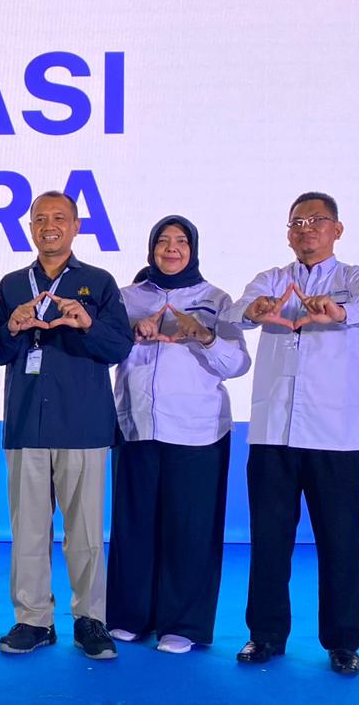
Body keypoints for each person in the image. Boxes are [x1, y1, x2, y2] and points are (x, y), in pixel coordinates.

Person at [226, 192, 359, 675]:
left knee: (341, 542)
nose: (306, 229)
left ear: (337, 229)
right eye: (297, 222)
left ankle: (343, 642)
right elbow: (236, 311)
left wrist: (337, 312)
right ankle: (265, 635)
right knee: (269, 540)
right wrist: (257, 308)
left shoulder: (357, 279)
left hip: (335, 435)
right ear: (288, 233)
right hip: (273, 433)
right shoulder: (272, 279)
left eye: (316, 221)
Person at [0, 190, 132, 660]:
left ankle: (90, 619)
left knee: (85, 532)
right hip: (26, 422)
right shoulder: (13, 284)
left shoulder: (99, 282)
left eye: (59, 218)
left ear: (75, 226)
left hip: (83, 423)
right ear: (30, 227)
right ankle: (34, 620)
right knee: (28, 530)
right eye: (40, 219)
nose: (49, 226)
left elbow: (119, 347)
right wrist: (12, 327)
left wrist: (87, 323)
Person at [106, 216, 251, 654]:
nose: (172, 248)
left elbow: (238, 364)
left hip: (198, 429)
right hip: (137, 425)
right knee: (134, 526)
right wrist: (133, 332)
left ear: (193, 249)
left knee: (190, 529)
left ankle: (183, 625)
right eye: (163, 241)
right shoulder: (126, 297)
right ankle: (130, 616)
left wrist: (203, 335)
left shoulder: (216, 299)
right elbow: (103, 352)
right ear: (151, 248)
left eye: (181, 241)